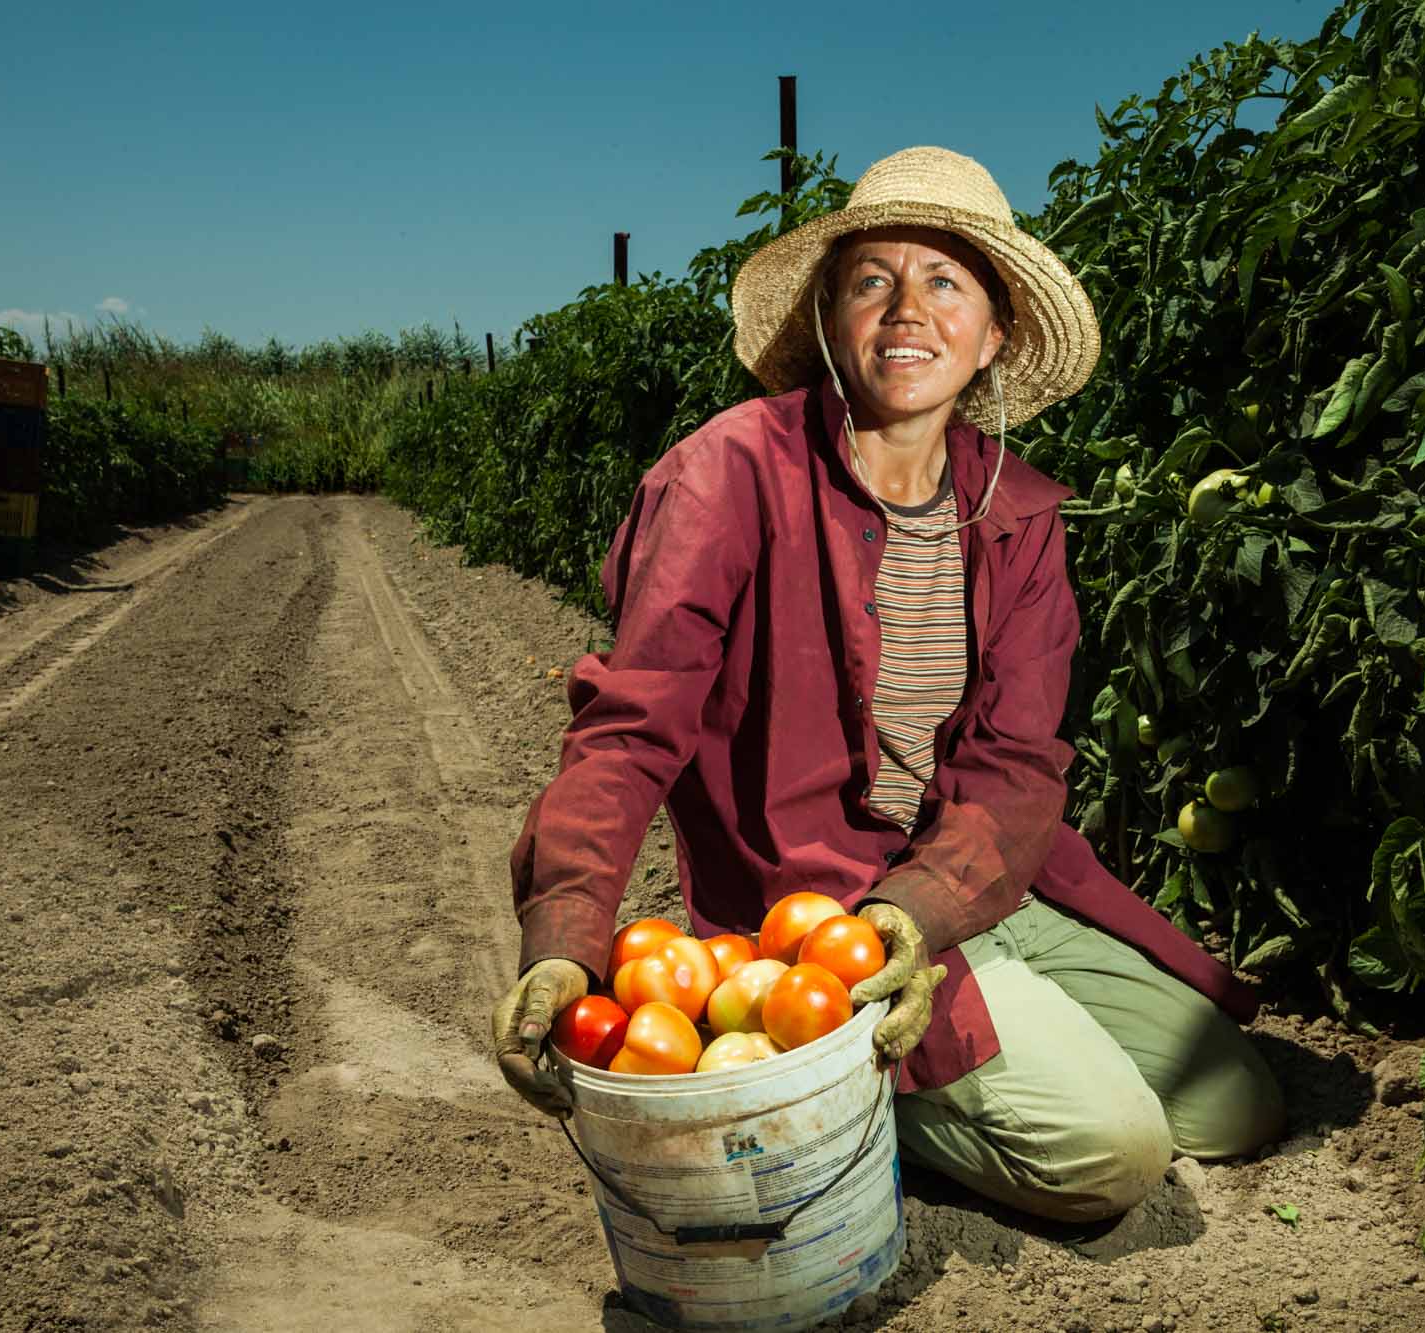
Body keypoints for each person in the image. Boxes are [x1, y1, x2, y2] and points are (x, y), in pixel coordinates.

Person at [492, 146, 1284, 1224]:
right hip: (820, 910)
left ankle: (996, 1028)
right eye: (872, 279)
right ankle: (837, 1087)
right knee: (1112, 1156)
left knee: (1235, 1105)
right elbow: (630, 724)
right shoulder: (729, 474)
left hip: (986, 883)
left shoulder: (1019, 514)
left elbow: (1017, 763)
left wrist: (928, 907)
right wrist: (568, 935)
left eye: (945, 282)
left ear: (993, 333)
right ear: (829, 316)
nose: (906, 309)